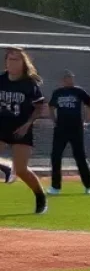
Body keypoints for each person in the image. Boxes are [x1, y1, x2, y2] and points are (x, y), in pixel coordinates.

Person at [0, 47, 49, 214]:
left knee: (21, 170)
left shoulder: (28, 84)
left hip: (22, 127)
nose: (12, 62)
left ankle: (40, 196)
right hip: (2, 125)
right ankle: (6, 167)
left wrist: (28, 124)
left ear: (23, 63)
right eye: (9, 59)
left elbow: (39, 107)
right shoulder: (1, 79)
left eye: (16, 59)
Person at [48, 70, 90, 195]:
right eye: (67, 78)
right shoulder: (57, 93)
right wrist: (54, 121)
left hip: (76, 129)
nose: (70, 80)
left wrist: (89, 118)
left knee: (80, 156)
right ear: (62, 80)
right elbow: (51, 108)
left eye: (71, 77)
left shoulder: (78, 91)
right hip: (61, 129)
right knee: (56, 156)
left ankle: (88, 185)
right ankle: (55, 187)